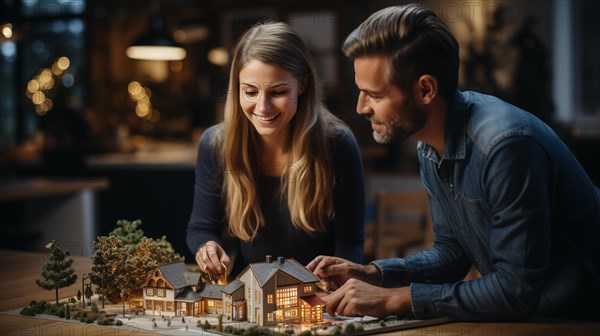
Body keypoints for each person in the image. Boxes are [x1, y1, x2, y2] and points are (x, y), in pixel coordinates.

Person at [308, 4, 600, 322]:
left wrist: (395, 299)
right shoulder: (429, 145)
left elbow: (515, 290)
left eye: (375, 95)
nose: (361, 107)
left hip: (582, 314)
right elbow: (452, 252)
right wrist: (373, 273)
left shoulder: (505, 145)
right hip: (542, 315)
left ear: (426, 89)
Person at [186, 21, 365, 279]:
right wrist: (207, 248)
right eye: (250, 92)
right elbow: (201, 228)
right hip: (248, 293)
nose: (263, 107)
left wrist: (338, 277)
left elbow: (350, 244)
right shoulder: (215, 145)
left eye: (278, 92)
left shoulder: (337, 144)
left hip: (317, 296)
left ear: (302, 85)